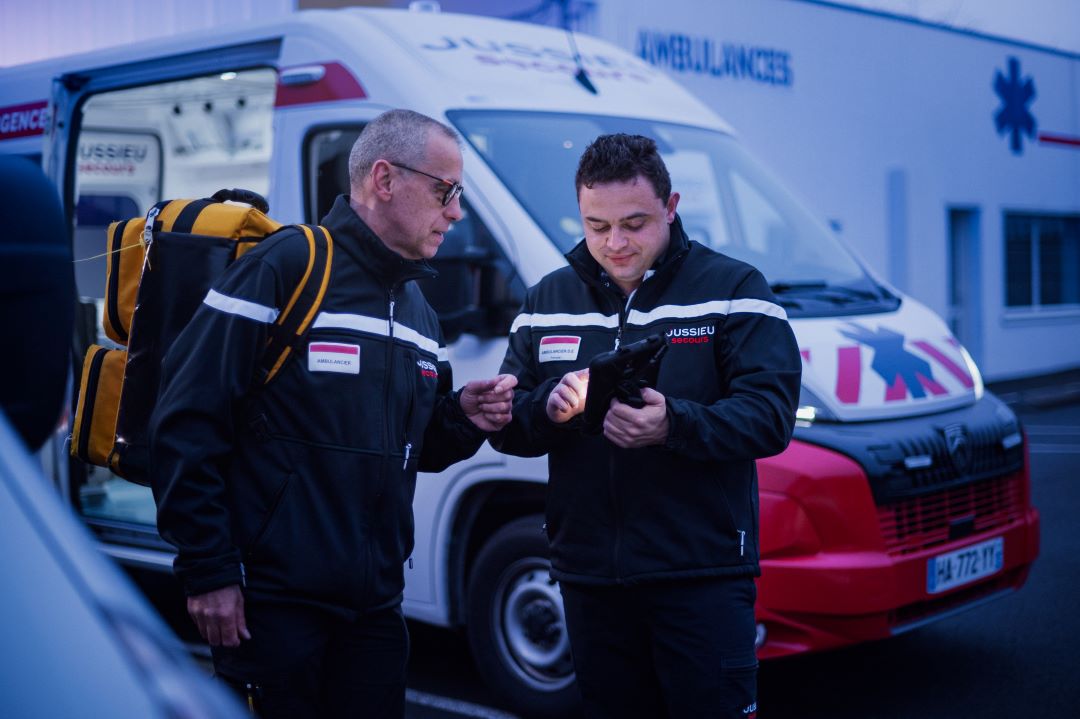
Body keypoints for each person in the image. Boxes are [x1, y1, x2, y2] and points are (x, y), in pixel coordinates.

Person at [149, 109, 516, 719]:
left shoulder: (420, 307)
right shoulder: (288, 265)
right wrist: (209, 571)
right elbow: (186, 418)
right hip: (270, 609)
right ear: (384, 178)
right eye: (446, 191)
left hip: (375, 611)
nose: (456, 212)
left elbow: (418, 446)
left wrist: (465, 416)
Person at [492, 133, 801, 718]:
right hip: (589, 580)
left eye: (634, 224)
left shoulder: (736, 291)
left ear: (672, 206)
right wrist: (552, 411)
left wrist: (673, 425)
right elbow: (510, 425)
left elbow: (771, 416)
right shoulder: (546, 299)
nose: (615, 243)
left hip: (700, 577)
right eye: (596, 225)